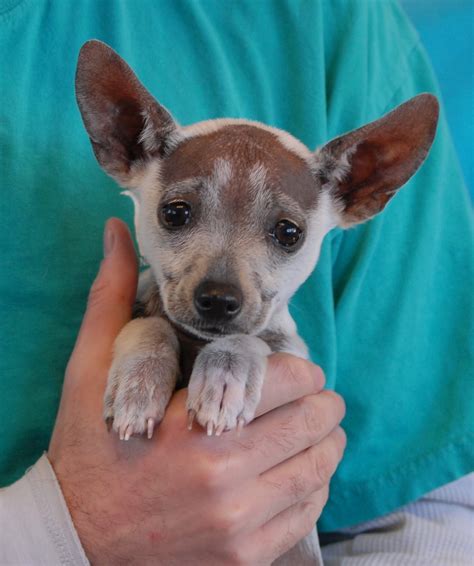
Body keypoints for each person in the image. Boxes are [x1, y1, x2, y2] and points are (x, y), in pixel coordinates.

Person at [0, 0, 472, 564]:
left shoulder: (337, 22)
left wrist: (245, 350)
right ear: (127, 145)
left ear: (356, 191)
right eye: (178, 215)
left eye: (284, 234)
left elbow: (428, 506)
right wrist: (52, 529)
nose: (220, 287)